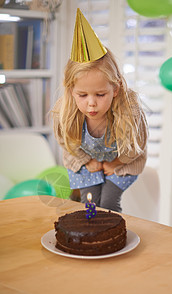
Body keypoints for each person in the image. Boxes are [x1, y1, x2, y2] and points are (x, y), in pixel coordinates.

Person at [52, 9, 148, 212]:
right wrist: (89, 161)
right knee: (90, 204)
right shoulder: (65, 111)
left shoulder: (130, 111)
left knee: (108, 204)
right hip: (86, 162)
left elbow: (135, 145)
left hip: (122, 162)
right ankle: (88, 239)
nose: (91, 104)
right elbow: (66, 142)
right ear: (71, 90)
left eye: (100, 95)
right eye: (83, 95)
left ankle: (111, 240)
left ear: (115, 88)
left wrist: (116, 163)